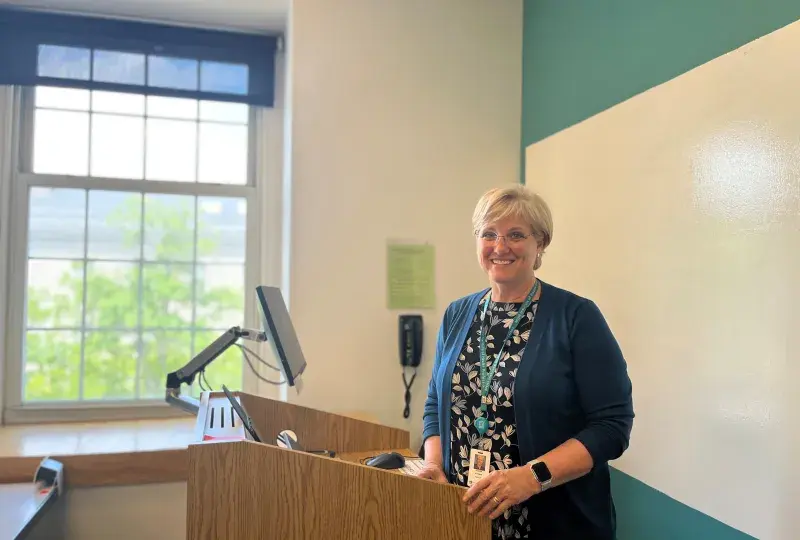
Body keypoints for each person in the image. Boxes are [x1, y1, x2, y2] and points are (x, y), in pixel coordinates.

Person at [417, 185, 634, 540]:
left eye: (516, 235)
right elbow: (434, 405)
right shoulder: (457, 314)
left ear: (541, 244)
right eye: (489, 234)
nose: (500, 247)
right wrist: (433, 465)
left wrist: (534, 476)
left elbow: (612, 426)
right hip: (462, 516)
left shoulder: (576, 317)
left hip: (552, 522)